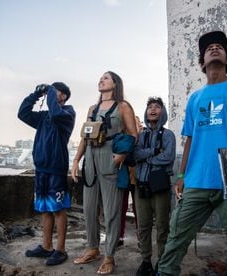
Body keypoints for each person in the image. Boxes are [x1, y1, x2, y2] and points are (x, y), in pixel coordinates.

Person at [157, 30, 227, 276]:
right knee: (176, 239)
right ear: (201, 62)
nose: (214, 48)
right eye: (208, 48)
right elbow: (190, 140)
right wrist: (182, 177)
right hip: (196, 181)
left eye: (220, 46)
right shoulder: (195, 98)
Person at [71, 71, 137, 275]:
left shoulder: (123, 106)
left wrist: (122, 155)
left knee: (111, 210)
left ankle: (109, 256)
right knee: (89, 208)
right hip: (90, 156)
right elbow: (85, 136)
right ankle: (92, 247)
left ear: (115, 83)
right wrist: (76, 160)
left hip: (111, 156)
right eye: (100, 78)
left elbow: (133, 134)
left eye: (106, 78)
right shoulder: (93, 108)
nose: (101, 80)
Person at [18, 82, 76, 266]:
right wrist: (35, 95)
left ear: (64, 96)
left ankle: (60, 250)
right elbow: (23, 114)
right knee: (44, 209)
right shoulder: (44, 117)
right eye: (51, 91)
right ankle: (46, 246)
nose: (51, 92)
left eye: (55, 91)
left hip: (56, 168)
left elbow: (56, 112)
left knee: (58, 209)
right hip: (41, 167)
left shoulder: (67, 113)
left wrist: (49, 90)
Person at [133, 97, 176, 275]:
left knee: (162, 226)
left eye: (157, 107)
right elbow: (135, 154)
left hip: (160, 187)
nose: (152, 110)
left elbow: (168, 157)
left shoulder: (168, 135)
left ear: (162, 112)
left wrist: (147, 158)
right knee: (143, 226)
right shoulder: (140, 135)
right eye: (150, 107)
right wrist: (153, 152)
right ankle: (145, 261)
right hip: (141, 185)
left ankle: (162, 261)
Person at [118, 116, 143, 247]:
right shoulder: (123, 139)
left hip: (137, 177)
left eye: (137, 123)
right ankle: (119, 236)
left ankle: (141, 238)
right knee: (120, 209)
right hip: (123, 176)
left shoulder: (141, 138)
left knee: (138, 209)